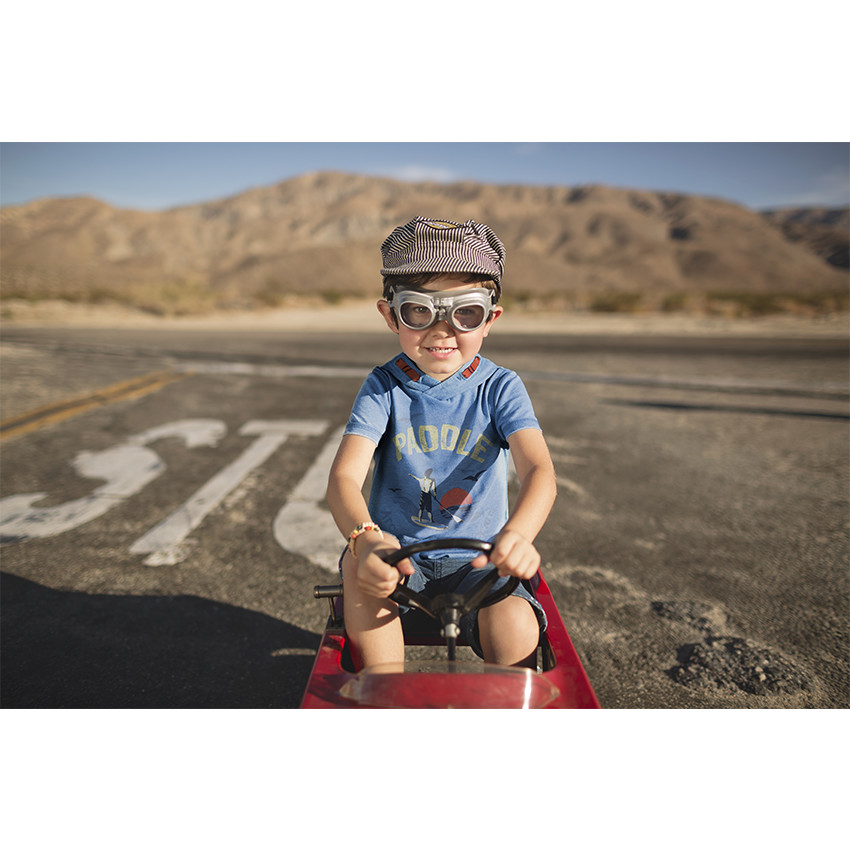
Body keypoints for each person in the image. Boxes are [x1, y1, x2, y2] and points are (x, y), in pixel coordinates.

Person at [326, 216, 557, 670]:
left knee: (515, 623)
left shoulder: (500, 387)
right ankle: (384, 687)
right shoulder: (384, 386)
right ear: (390, 314)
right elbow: (343, 478)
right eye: (419, 311)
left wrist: (517, 536)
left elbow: (539, 472)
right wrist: (366, 539)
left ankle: (507, 703)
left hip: (481, 562)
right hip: (397, 558)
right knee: (359, 567)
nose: (441, 330)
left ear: (490, 319)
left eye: (464, 312)